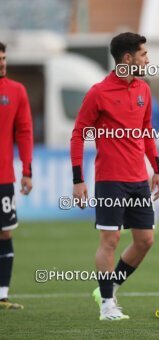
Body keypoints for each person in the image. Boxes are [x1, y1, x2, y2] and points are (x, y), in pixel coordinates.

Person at [70, 32, 159, 320]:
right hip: (110, 180)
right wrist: (78, 179)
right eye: (143, 54)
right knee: (110, 240)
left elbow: (147, 132)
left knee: (145, 240)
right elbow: (78, 134)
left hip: (138, 179)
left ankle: (107, 288)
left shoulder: (143, 90)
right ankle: (108, 305)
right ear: (127, 58)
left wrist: (157, 169)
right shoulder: (98, 92)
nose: (147, 59)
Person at [0, 42, 33, 310]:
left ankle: (1, 296)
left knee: (5, 233)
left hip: (3, 178)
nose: (2, 62)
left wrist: (27, 170)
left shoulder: (16, 90)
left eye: (4, 58)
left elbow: (24, 132)